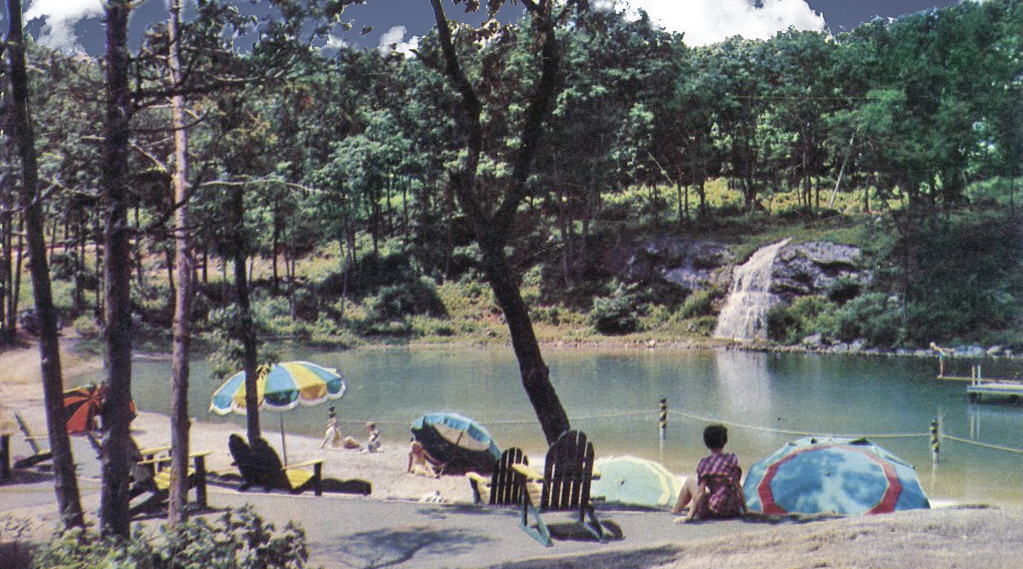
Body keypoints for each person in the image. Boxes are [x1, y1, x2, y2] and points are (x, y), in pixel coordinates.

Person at [672, 424, 746, 522]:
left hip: (715, 510)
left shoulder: (706, 463)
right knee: (716, 491)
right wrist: (745, 510)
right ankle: (679, 509)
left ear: (706, 443)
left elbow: (700, 492)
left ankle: (676, 510)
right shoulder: (732, 459)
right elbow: (737, 485)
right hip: (733, 508)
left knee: (690, 481)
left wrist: (690, 516)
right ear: (725, 441)